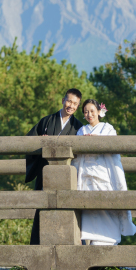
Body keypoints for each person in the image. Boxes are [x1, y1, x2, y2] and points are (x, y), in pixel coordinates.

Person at [72, 99, 136, 246]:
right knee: (91, 211)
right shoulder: (81, 131)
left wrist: (97, 141)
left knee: (107, 206)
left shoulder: (107, 129)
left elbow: (114, 146)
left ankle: (110, 241)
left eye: (92, 111)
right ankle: (94, 241)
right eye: (86, 112)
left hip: (104, 174)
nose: (89, 114)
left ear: (99, 112)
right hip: (86, 176)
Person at [25, 88, 84, 245]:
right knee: (42, 208)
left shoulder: (78, 127)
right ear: (63, 100)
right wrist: (40, 143)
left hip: (67, 178)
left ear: (78, 106)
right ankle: (38, 246)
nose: (71, 106)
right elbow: (29, 141)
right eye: (69, 101)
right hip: (46, 174)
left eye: (75, 104)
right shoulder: (46, 121)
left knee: (67, 210)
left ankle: (66, 246)